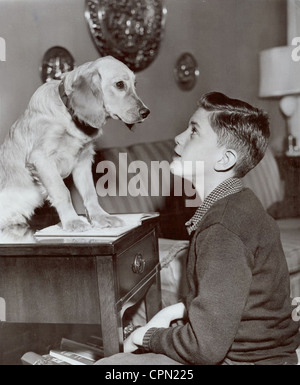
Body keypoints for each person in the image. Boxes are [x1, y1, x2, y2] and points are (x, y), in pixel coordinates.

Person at [95, 92, 300, 365]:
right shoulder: (241, 203)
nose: (178, 138)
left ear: (224, 160)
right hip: (268, 356)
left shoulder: (222, 230)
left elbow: (204, 348)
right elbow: (228, 298)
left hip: (246, 362)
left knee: (109, 367)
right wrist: (173, 312)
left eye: (193, 131)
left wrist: (148, 337)